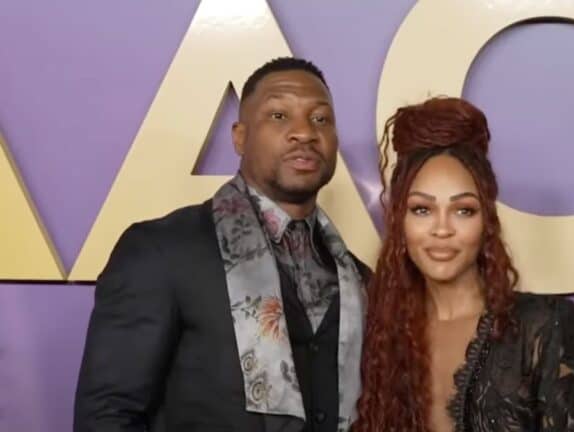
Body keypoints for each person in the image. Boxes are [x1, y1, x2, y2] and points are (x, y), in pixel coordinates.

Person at [74, 57, 369, 432]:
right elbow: (107, 416)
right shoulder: (160, 251)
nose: (304, 133)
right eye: (279, 116)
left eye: (320, 119)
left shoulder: (358, 277)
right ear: (240, 137)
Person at [354, 97, 574, 431]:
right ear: (399, 221)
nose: (442, 229)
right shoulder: (377, 332)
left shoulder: (543, 325)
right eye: (422, 209)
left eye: (463, 210)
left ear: (487, 221)